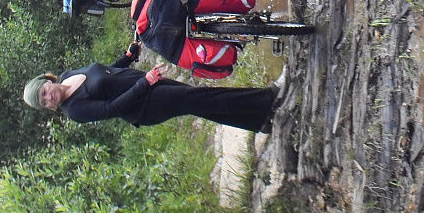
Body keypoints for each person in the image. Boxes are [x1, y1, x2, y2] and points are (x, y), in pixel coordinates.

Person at [22, 43, 282, 133]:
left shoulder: (68, 75)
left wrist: (127, 56)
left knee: (199, 103)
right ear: (50, 107)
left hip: (146, 83)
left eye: (44, 92)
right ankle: (268, 98)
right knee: (197, 97)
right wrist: (144, 83)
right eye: (44, 102)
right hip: (145, 105)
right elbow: (113, 108)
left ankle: (259, 121)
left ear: (47, 81)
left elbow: (106, 73)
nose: (48, 97)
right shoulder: (76, 110)